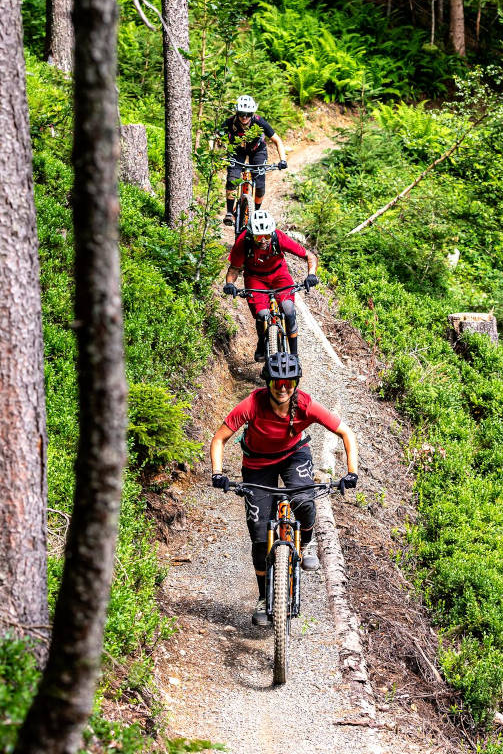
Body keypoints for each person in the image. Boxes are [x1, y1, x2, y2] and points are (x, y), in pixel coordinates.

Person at [208, 352, 359, 626]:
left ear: (296, 382)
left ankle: (307, 543)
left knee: (304, 502)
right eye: (277, 381)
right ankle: (265, 597)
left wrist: (352, 472)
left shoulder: (306, 405)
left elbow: (346, 433)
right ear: (268, 382)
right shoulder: (252, 404)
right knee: (257, 533)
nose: (283, 387)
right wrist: (217, 472)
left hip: (294, 455)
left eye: (289, 382)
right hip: (257, 463)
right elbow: (219, 439)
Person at [223, 210, 319, 362]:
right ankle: (262, 342)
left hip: (279, 274)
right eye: (258, 236)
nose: (263, 241)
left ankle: (294, 355)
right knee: (262, 315)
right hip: (255, 278)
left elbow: (309, 256)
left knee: (288, 310)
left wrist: (312, 274)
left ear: (271, 233)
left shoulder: (278, 238)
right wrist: (229, 284)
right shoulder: (243, 242)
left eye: (267, 236)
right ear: (251, 234)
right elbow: (234, 269)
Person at [214, 95, 287, 227]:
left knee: (259, 184)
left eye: (248, 114)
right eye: (241, 114)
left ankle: (255, 212)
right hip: (237, 150)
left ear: (252, 113)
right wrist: (213, 153)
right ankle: (230, 212)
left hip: (257, 150)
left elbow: (277, 140)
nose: (244, 117)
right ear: (237, 112)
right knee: (232, 179)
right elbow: (215, 136)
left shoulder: (259, 121)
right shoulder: (230, 122)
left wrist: (283, 160)